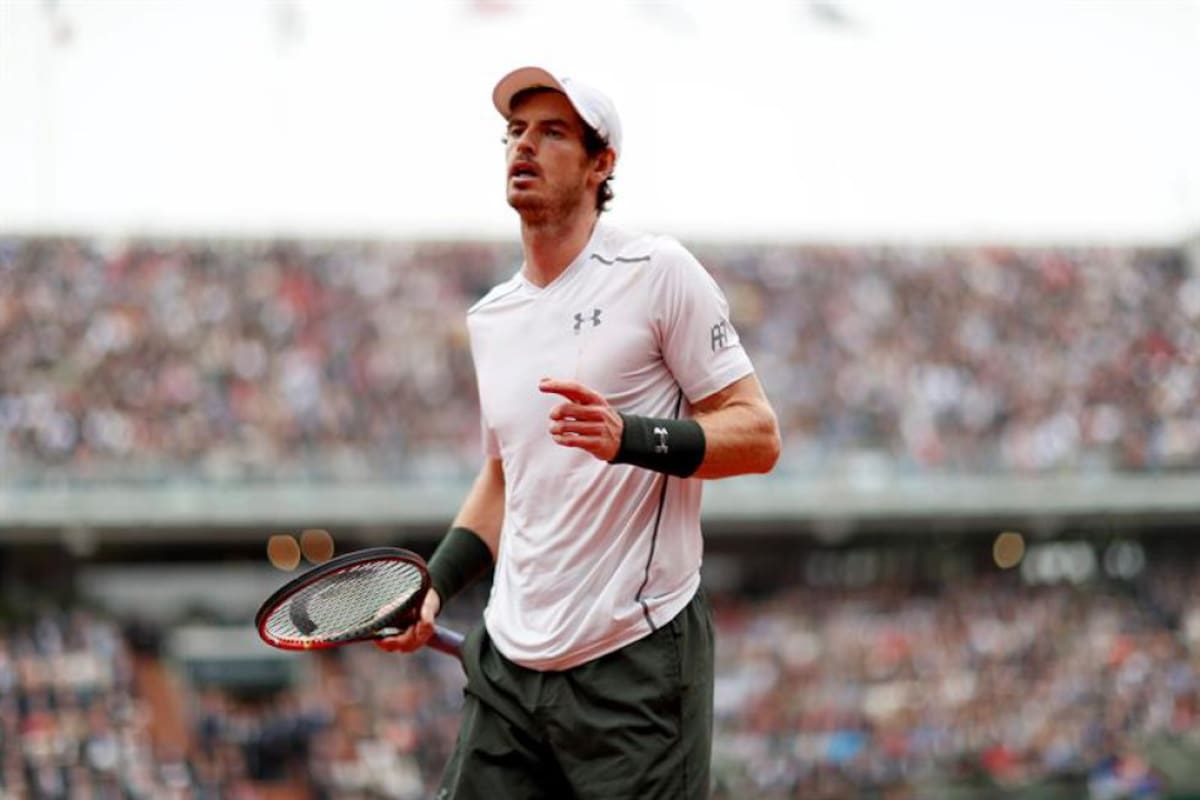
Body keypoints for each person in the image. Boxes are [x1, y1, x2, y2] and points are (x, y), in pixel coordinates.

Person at [377, 66, 781, 799]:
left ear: (602, 164)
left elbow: (757, 435)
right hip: (508, 659)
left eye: (552, 131)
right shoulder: (491, 317)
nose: (523, 145)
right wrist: (434, 585)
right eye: (515, 132)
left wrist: (630, 436)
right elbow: (505, 477)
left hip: (637, 661)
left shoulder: (659, 272)